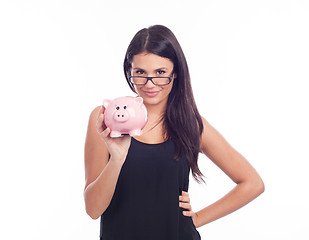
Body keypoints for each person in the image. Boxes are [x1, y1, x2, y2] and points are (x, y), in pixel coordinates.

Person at [83, 25, 265, 240]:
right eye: (140, 73)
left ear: (175, 72)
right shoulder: (106, 118)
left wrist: (196, 218)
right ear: (129, 71)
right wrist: (117, 159)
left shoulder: (192, 125)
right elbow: (93, 210)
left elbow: (252, 183)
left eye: (160, 73)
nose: (150, 84)